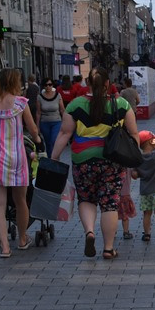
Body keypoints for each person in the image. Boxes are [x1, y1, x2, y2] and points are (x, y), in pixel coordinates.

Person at [50, 69, 138, 260]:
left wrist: (54, 157)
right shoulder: (121, 104)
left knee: (86, 199)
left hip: (83, 160)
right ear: (108, 83)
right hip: (112, 161)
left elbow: (64, 134)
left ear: (88, 83)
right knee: (109, 204)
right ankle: (108, 248)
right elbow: (133, 134)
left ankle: (90, 232)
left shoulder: (75, 105)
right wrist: (133, 159)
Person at [0, 68, 41, 258]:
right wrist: (38, 141)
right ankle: (22, 239)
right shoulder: (21, 104)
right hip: (16, 157)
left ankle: (5, 247)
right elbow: (32, 130)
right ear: (15, 82)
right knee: (20, 201)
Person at [37, 78, 65, 157]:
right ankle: (50, 161)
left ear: (52, 85)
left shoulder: (57, 95)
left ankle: (55, 158)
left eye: (50, 85)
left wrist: (65, 122)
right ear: (43, 86)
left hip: (56, 122)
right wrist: (37, 126)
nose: (48, 87)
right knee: (48, 143)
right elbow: (38, 113)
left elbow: (62, 110)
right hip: (44, 122)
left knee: (54, 141)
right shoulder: (40, 97)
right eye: (46, 85)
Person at [117, 167, 136, 239]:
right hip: (125, 194)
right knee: (125, 215)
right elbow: (134, 176)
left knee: (113, 214)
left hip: (113, 193)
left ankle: (113, 231)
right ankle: (126, 232)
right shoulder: (129, 164)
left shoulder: (113, 164)